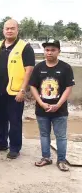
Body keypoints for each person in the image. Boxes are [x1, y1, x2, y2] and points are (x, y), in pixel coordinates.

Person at [0, 19, 35, 159]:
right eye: (7, 28)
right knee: (0, 119)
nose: (9, 30)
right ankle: (1, 142)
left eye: (12, 28)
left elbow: (29, 70)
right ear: (3, 30)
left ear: (17, 30)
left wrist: (22, 90)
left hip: (15, 92)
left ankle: (15, 147)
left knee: (14, 120)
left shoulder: (25, 47)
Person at [29, 40, 75, 172]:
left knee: (61, 136)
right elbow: (32, 86)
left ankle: (61, 160)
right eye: (47, 50)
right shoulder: (39, 67)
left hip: (60, 111)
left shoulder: (65, 68)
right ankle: (46, 157)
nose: (49, 52)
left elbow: (68, 88)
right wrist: (41, 103)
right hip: (42, 109)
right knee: (44, 134)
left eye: (53, 50)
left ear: (59, 51)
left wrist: (58, 104)